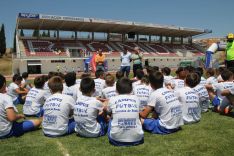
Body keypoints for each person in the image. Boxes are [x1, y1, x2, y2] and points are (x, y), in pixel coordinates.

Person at [0, 74, 41, 139]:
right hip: (5, 131)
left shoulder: (11, 86)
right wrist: (20, 116)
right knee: (37, 122)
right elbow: (12, 118)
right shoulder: (5, 97)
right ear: (3, 85)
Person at [107, 77, 144, 146]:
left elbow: (108, 112)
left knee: (110, 118)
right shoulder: (136, 98)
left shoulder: (112, 99)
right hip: (138, 139)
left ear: (116, 89)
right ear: (131, 89)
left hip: (116, 140)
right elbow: (140, 113)